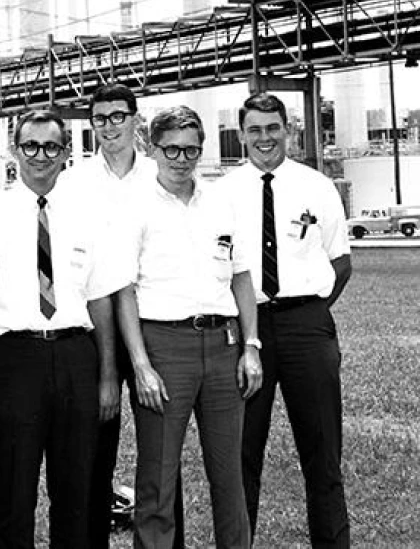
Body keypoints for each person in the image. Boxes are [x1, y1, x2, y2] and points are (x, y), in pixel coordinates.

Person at [114, 106, 262, 549]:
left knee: (229, 474)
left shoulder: (220, 201)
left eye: (191, 150)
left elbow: (241, 277)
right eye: (172, 149)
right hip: (164, 347)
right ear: (152, 148)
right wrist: (141, 365)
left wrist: (250, 346)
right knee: (157, 477)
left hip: (222, 345)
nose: (181, 159)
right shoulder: (133, 206)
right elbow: (123, 291)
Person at [0, 107, 123, 547]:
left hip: (75, 355)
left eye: (51, 146)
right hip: (13, 359)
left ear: (65, 153)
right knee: (12, 487)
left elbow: (100, 300)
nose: (40, 156)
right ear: (13, 151)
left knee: (78, 487)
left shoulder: (89, 213)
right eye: (30, 145)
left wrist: (106, 377)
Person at [220, 91, 352, 547]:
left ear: (288, 130)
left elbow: (340, 264)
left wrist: (307, 313)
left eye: (272, 127)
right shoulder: (222, 192)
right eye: (254, 129)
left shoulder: (317, 186)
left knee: (322, 454)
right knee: (242, 456)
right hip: (246, 333)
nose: (264, 138)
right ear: (241, 135)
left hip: (306, 325)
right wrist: (249, 328)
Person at [60, 83, 184, 548]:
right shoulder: (73, 181)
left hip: (154, 325)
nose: (109, 126)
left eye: (118, 116)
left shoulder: (161, 174)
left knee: (161, 455)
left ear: (136, 119)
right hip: (93, 330)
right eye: (100, 117)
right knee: (94, 453)